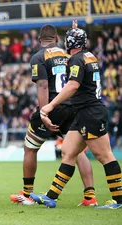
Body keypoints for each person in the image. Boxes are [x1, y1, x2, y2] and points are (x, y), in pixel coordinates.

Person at [30, 26, 122, 209]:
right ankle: (51, 197)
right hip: (84, 112)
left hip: (89, 112)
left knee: (104, 156)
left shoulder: (76, 59)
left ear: (70, 43)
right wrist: (76, 31)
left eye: (67, 39)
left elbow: (72, 85)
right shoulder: (90, 56)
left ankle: (120, 200)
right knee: (69, 152)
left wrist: (50, 105)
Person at [10, 24, 97, 206]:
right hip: (72, 107)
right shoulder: (70, 56)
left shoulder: (38, 57)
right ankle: (90, 196)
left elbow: (42, 85)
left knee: (30, 148)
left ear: (39, 40)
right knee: (78, 151)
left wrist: (44, 113)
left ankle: (27, 194)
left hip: (52, 106)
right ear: (58, 39)